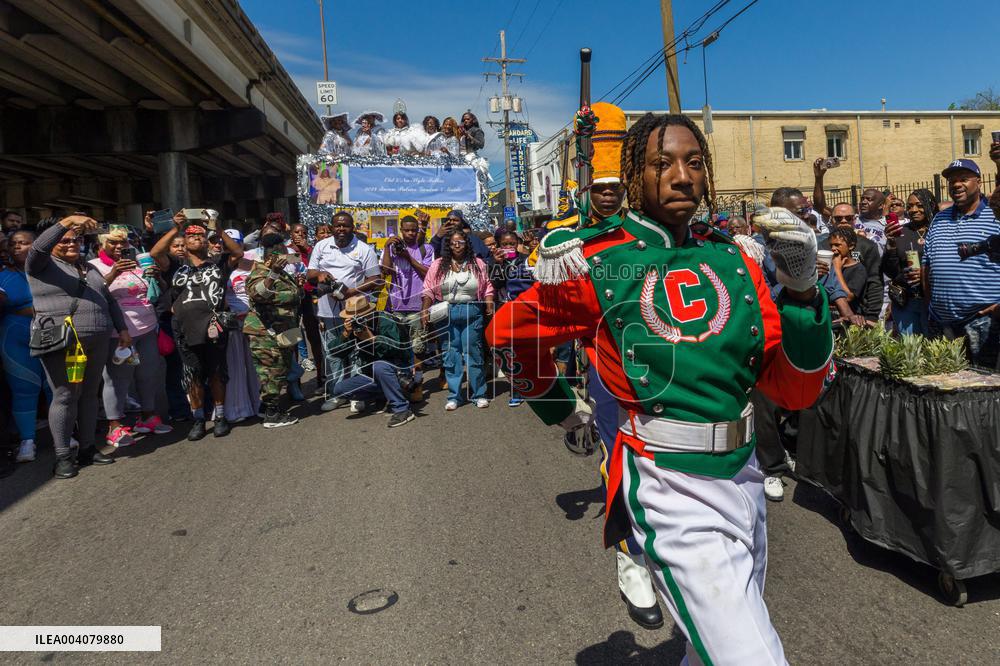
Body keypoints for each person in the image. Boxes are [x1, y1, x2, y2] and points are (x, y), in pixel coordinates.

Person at [489, 113, 832, 664]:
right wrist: (561, 408)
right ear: (633, 177)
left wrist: (801, 291)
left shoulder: (735, 258)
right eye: (662, 163)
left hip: (745, 476)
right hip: (668, 485)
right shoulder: (596, 261)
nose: (681, 176)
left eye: (694, 162)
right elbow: (508, 332)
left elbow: (794, 392)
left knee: (712, 648)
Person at [27, 215, 133, 478]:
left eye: (75, 239)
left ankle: (87, 448)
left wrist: (122, 329)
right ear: (53, 242)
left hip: (96, 340)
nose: (71, 243)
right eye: (63, 240)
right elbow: (38, 247)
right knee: (64, 395)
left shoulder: (90, 268)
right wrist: (68, 221)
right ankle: (63, 455)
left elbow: (108, 301)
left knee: (89, 395)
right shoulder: (41, 265)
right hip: (61, 341)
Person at [150, 212, 244, 440]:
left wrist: (217, 229)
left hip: (214, 327)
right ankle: (198, 418)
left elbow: (238, 252)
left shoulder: (218, 264)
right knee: (192, 374)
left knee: (216, 373)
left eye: (201, 236)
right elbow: (155, 253)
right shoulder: (176, 266)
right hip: (184, 329)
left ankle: (220, 416)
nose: (197, 239)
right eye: (191, 237)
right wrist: (176, 228)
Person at [89, 227, 171, 448]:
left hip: (147, 328)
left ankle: (148, 417)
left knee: (147, 374)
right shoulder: (94, 266)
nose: (119, 248)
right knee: (117, 379)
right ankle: (114, 426)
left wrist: (157, 278)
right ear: (101, 245)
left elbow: (157, 292)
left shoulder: (136, 262)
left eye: (122, 244)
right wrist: (113, 273)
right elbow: (93, 293)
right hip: (119, 333)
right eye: (113, 243)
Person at [923, 157, 1000, 369]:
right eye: (952, 181)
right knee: (943, 385)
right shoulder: (939, 218)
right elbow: (927, 263)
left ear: (979, 182)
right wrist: (932, 305)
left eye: (963, 179)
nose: (956, 185)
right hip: (941, 323)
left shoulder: (995, 215)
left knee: (984, 388)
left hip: (983, 320)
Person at [307, 212, 382, 411]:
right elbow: (310, 273)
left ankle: (358, 394)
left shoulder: (364, 249)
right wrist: (321, 274)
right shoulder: (321, 246)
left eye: (345, 226)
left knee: (357, 352)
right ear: (331, 227)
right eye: (337, 226)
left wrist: (350, 292)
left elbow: (375, 279)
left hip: (355, 310)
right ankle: (336, 393)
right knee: (333, 353)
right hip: (326, 310)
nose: (341, 229)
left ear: (353, 227)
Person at [421, 227, 494, 410]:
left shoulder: (478, 263)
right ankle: (454, 396)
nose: (457, 246)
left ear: (466, 244)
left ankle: (479, 394)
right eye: (453, 242)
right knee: (451, 353)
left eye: (460, 242)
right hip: (447, 313)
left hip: (472, 311)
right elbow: (428, 288)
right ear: (448, 245)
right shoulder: (438, 264)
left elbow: (487, 286)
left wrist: (489, 302)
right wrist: (424, 309)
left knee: (473, 351)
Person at [0, 230, 51, 463]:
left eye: (24, 243)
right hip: (14, 336)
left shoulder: (50, 270)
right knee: (24, 389)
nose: (17, 247)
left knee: (54, 386)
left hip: (50, 331)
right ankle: (27, 441)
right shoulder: (2, 276)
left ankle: (65, 434)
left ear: (36, 245)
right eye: (13, 244)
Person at [326, 295, 416, 427]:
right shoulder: (355, 329)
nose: (355, 320)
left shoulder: (384, 321)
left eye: (358, 317)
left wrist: (372, 339)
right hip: (371, 373)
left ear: (369, 313)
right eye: (351, 318)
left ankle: (402, 409)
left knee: (379, 366)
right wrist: (345, 334)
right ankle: (385, 394)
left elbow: (396, 348)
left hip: (397, 368)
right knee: (339, 389)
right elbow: (335, 353)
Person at [245, 233, 302, 428]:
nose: (288, 252)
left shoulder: (284, 272)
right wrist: (273, 274)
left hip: (286, 329)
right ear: (275, 253)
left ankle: (266, 408)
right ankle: (272, 414)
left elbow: (292, 296)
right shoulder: (260, 272)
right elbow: (257, 294)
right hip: (265, 332)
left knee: (282, 368)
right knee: (272, 371)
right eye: (285, 249)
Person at [380, 215, 434, 399]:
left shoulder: (425, 248)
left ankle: (417, 384)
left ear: (418, 230)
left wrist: (409, 258)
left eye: (414, 230)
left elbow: (429, 273)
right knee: (397, 348)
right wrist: (387, 247)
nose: (410, 233)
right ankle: (401, 386)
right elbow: (385, 270)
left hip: (417, 305)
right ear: (400, 230)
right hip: (395, 306)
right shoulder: (392, 249)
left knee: (418, 348)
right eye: (406, 230)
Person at [220, 229, 263, 422]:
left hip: (253, 320)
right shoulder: (219, 265)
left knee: (255, 366)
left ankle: (258, 403)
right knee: (235, 366)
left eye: (235, 243)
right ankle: (238, 408)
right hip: (231, 322)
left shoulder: (253, 262)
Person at [882, 189, 938, 335]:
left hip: (933, 300)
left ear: (930, 205)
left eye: (919, 205)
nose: (914, 210)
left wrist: (925, 275)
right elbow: (890, 270)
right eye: (910, 206)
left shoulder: (939, 230)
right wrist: (891, 244)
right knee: (911, 348)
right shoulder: (901, 232)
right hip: (907, 301)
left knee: (934, 347)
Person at [290, 223, 325, 390]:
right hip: (292, 299)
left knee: (314, 337)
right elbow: (289, 264)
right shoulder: (287, 250)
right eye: (297, 232)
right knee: (293, 338)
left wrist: (308, 250)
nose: (300, 235)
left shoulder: (313, 250)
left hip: (310, 297)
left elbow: (317, 268)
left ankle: (321, 376)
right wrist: (296, 253)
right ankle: (295, 383)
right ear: (291, 234)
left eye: (304, 232)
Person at [826, 227, 867, 314]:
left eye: (837, 245)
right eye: (831, 245)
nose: (833, 248)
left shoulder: (858, 269)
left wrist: (837, 269)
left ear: (851, 246)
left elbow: (848, 297)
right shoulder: (829, 266)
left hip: (849, 319)